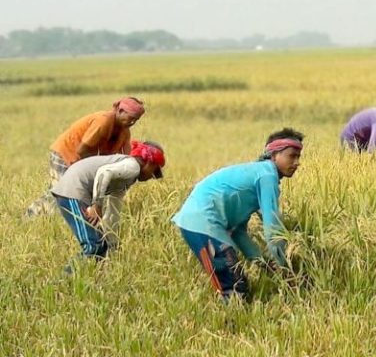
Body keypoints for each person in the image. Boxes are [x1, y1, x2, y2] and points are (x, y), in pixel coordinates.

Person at [171, 128, 304, 301]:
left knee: (233, 282)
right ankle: (230, 325)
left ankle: (232, 321)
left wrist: (265, 265)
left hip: (196, 224)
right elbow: (274, 230)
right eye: (292, 156)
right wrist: (286, 269)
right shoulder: (267, 175)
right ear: (273, 155)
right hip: (204, 223)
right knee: (234, 286)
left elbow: (238, 233)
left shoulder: (255, 174)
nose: (297, 162)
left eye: (298, 156)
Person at [25, 97, 146, 218]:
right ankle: (30, 216)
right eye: (130, 118)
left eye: (135, 120)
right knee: (61, 193)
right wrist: (95, 170)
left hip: (81, 163)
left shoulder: (124, 132)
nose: (132, 123)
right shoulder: (104, 121)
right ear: (120, 111)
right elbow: (82, 150)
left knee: (70, 195)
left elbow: (124, 158)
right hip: (66, 154)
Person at [51, 140, 165, 263]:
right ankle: (65, 279)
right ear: (149, 162)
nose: (152, 177)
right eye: (154, 171)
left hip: (76, 192)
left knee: (102, 246)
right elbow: (104, 173)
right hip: (73, 190)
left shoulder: (126, 176)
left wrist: (113, 243)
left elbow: (113, 210)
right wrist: (97, 204)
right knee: (93, 246)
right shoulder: (133, 166)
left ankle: (89, 279)